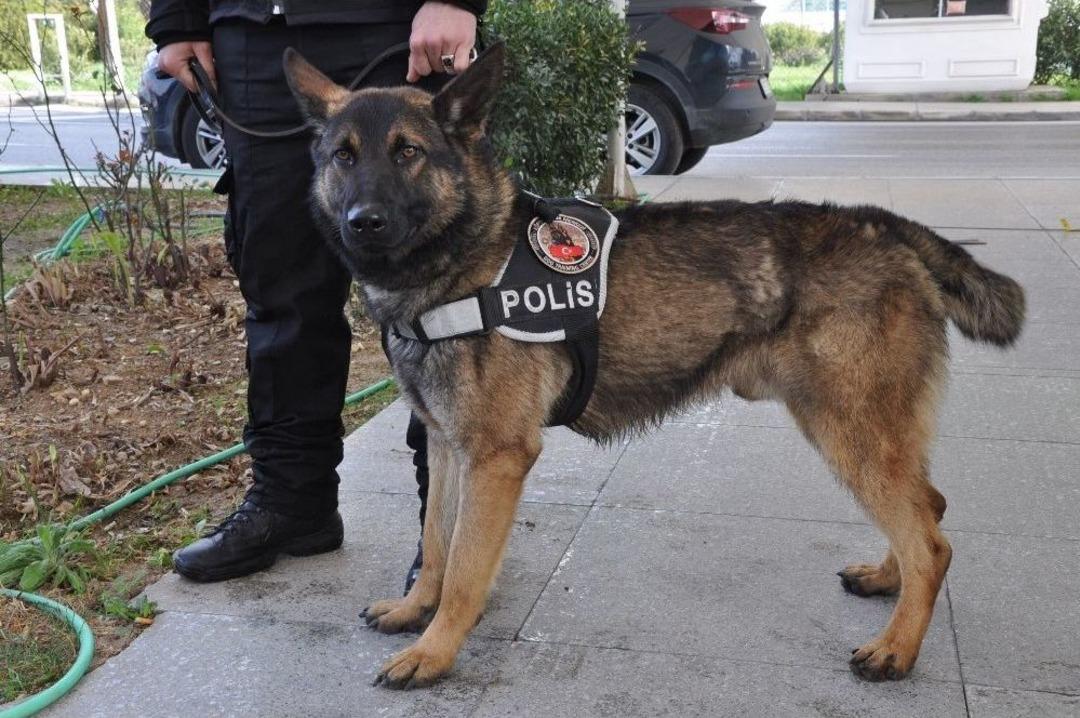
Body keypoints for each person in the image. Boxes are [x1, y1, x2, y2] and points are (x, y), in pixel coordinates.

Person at [145, 0, 484, 587]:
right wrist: (178, 19)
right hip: (255, 34)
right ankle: (293, 503)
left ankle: (450, 528)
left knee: (443, 298)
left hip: (397, 23)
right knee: (279, 284)